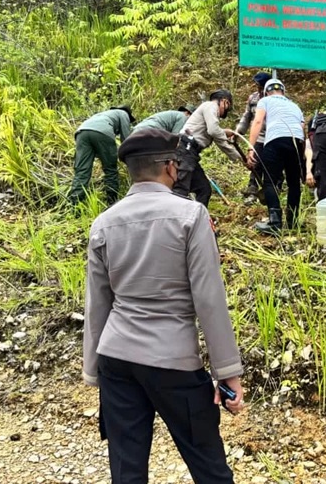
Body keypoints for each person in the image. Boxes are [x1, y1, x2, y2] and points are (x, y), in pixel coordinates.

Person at [82, 128, 244, 484]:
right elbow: (209, 298)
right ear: (171, 167)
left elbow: (98, 302)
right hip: (173, 360)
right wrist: (227, 373)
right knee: (208, 465)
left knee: (126, 469)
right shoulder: (191, 216)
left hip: (117, 359)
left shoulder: (103, 223)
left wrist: (93, 370)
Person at [246, 79, 306, 234]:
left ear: (266, 92)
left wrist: (251, 148)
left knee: (270, 181)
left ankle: (275, 222)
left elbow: (258, 121)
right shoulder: (294, 106)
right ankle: (293, 222)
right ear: (283, 92)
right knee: (293, 182)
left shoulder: (265, 101)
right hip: (296, 141)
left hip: (275, 140)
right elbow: (302, 128)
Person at [174, 89, 244, 207]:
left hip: (191, 153)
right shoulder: (211, 106)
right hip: (186, 149)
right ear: (224, 102)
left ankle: (200, 221)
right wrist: (241, 159)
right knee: (180, 190)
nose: (225, 112)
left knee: (204, 189)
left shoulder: (208, 110)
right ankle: (175, 222)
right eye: (228, 107)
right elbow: (213, 131)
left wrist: (239, 157)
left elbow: (214, 133)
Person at [68, 105, 135, 205]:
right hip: (103, 132)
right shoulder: (123, 114)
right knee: (110, 169)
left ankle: (74, 204)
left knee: (82, 171)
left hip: (81, 132)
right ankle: (111, 202)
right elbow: (126, 139)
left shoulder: (102, 115)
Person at [235, 72, 273, 198]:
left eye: (261, 86)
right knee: (254, 161)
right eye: (257, 85)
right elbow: (246, 117)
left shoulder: (275, 98)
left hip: (273, 136)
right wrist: (238, 132)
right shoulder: (253, 98)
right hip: (258, 136)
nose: (258, 88)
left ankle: (273, 186)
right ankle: (253, 186)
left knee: (271, 163)